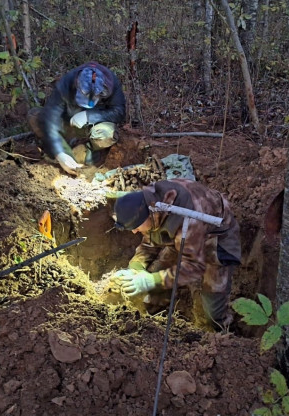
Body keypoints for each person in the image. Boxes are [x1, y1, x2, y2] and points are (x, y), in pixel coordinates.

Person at [112, 179, 241, 331]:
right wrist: (135, 269)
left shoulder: (189, 219)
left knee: (213, 310)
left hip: (214, 238)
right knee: (155, 276)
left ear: (148, 215)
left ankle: (225, 335)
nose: (134, 231)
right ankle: (153, 324)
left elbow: (194, 266)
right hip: (183, 236)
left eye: (136, 226)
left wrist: (150, 280)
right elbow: (149, 241)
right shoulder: (151, 203)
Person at [28, 62, 126, 175]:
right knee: (35, 116)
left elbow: (119, 112)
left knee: (106, 134)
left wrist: (89, 116)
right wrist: (60, 154)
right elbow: (51, 117)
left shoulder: (111, 83)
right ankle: (66, 149)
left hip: (92, 128)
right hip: (68, 124)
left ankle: (87, 151)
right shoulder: (66, 82)